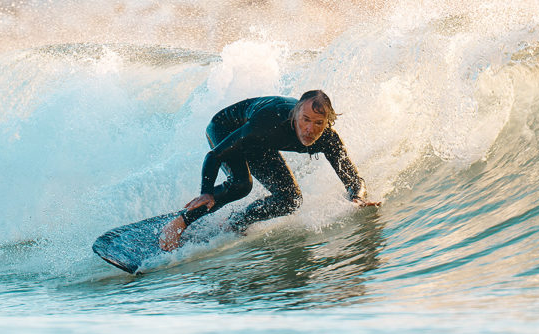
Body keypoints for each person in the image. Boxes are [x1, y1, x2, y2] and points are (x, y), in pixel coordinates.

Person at [159, 90, 378, 250]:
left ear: (327, 122)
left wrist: (357, 198)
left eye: (319, 123)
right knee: (240, 184)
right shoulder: (270, 122)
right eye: (305, 120)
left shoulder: (328, 140)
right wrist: (206, 192)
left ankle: (235, 224)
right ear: (296, 114)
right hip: (226, 128)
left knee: (290, 200)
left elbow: (353, 179)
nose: (310, 129)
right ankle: (177, 224)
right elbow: (214, 156)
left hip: (261, 142)